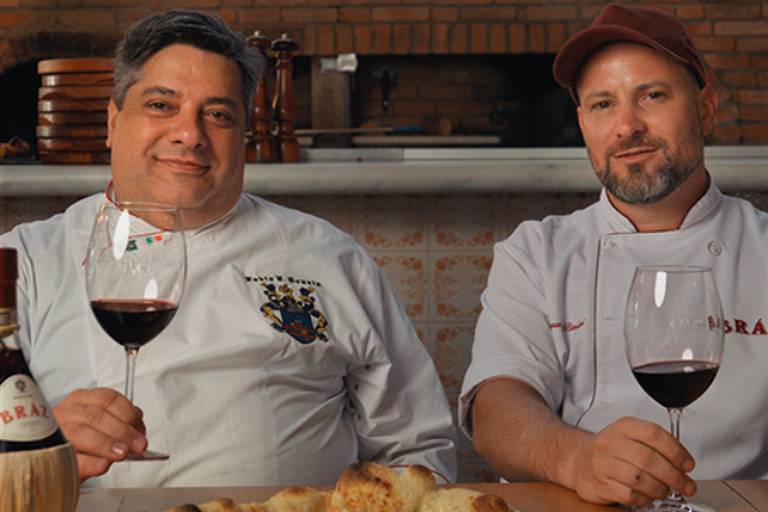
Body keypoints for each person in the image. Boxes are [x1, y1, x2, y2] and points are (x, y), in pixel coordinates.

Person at [0, 9, 456, 487]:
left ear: (243, 136)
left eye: (217, 114)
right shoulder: (22, 264)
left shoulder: (330, 258)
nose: (190, 134)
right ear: (113, 121)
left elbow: (416, 449)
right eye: (161, 105)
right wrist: (34, 448)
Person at [460, 3, 767, 509]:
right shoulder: (536, 253)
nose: (627, 127)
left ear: (706, 107)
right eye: (603, 105)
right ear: (582, 124)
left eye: (652, 95)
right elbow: (496, 409)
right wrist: (574, 459)